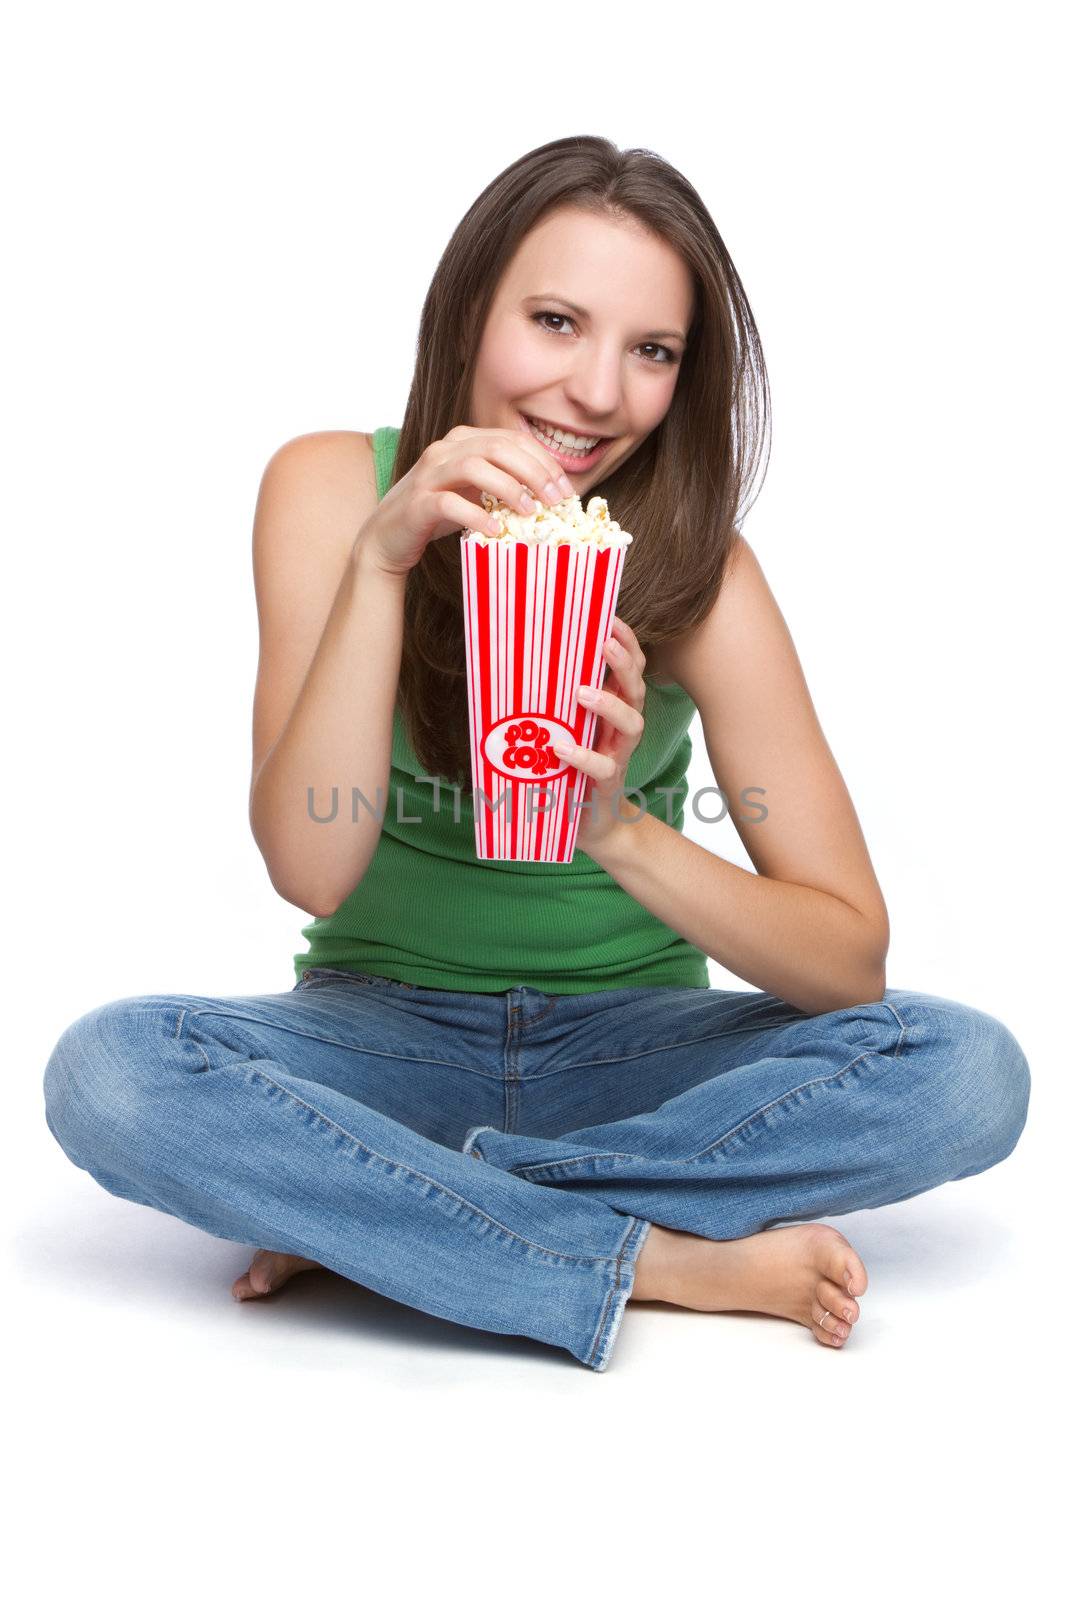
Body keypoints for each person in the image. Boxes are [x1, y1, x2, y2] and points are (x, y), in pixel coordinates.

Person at [42, 135, 1030, 1373]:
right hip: (377, 1039)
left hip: (637, 1056)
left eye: (651, 351)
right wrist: (382, 561)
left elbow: (845, 958)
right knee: (113, 1074)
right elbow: (310, 868)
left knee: (965, 1072)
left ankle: (381, 1216)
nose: (598, 392)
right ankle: (646, 1253)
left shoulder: (701, 570)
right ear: (470, 312)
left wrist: (612, 824)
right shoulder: (328, 488)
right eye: (555, 321)